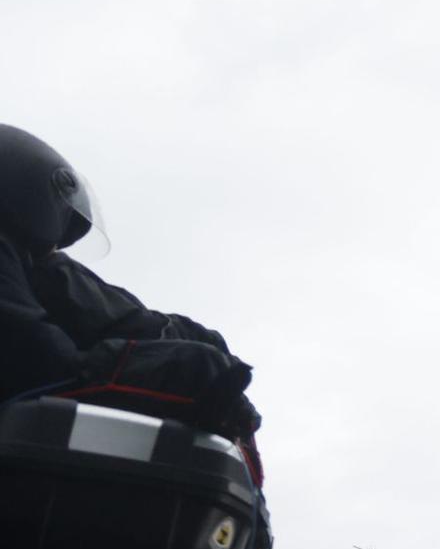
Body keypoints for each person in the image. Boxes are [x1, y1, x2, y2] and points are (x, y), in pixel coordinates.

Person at [0, 124, 260, 444]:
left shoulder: (26, 274)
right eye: (44, 250)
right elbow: (40, 357)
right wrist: (195, 368)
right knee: (202, 366)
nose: (52, 256)